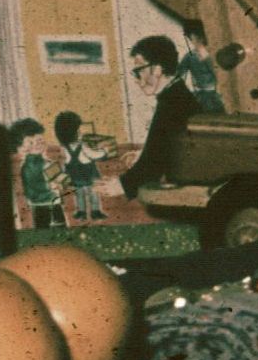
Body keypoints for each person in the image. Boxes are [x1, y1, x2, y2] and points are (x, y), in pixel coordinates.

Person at [116, 35, 206, 197]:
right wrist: (142, 153)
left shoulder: (172, 103)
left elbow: (152, 167)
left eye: (138, 71)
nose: (136, 79)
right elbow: (166, 147)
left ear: (157, 69)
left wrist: (121, 186)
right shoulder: (176, 94)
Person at [52, 110, 108, 224]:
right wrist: (104, 151)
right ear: (75, 133)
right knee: (93, 192)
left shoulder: (64, 147)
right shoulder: (83, 146)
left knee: (79, 194)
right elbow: (94, 155)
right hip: (88, 173)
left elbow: (65, 161)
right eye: (79, 130)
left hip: (75, 175)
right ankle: (95, 212)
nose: (81, 132)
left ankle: (81, 212)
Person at [8, 117, 62, 230]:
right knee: (46, 226)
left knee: (55, 225)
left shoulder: (44, 162)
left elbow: (60, 178)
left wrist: (58, 182)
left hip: (49, 200)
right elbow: (33, 190)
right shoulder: (29, 166)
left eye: (40, 140)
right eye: (31, 142)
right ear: (21, 147)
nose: (38, 144)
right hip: (42, 201)